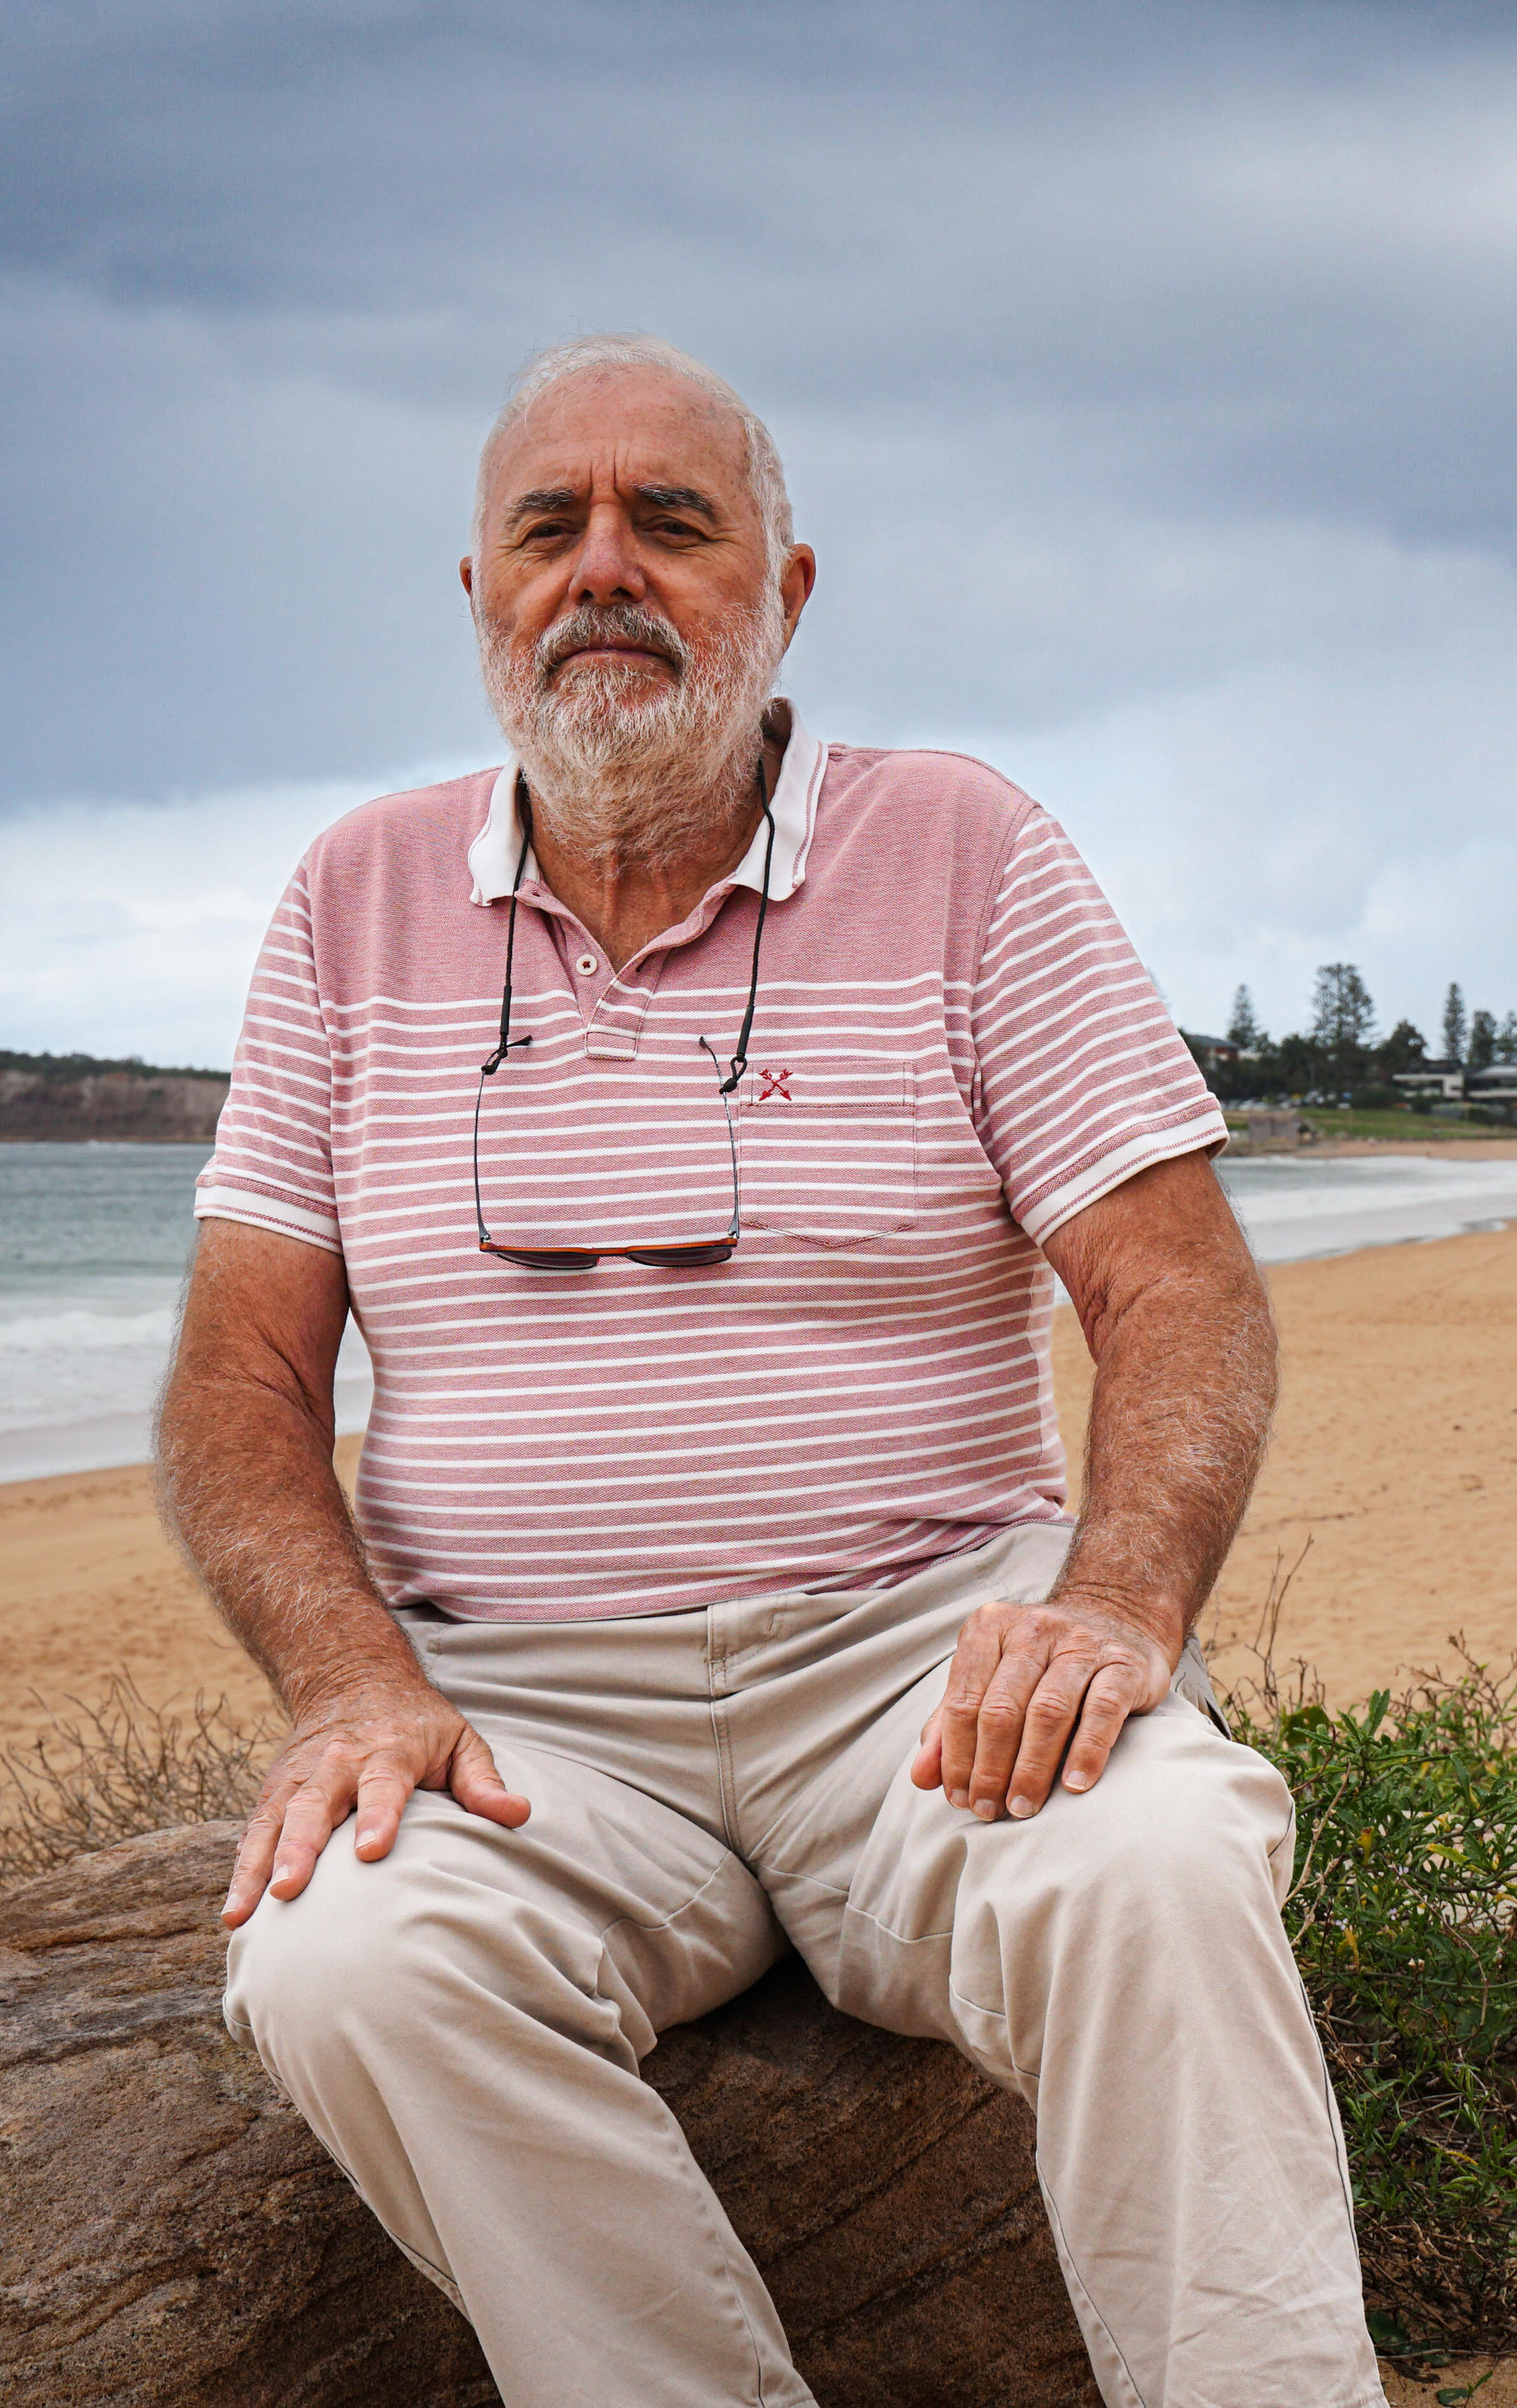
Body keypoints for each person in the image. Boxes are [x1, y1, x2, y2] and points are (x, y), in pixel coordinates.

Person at [155, 334, 1381, 2408]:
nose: (606, 571)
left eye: (676, 523)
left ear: (788, 587)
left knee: (1160, 1865)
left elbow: (1178, 1291)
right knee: (343, 1962)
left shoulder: (968, 851)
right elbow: (236, 1379)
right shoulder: (350, 902)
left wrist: (1115, 1605)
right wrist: (350, 1682)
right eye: (551, 528)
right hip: (522, 1715)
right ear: (477, 596)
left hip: (923, 1674)